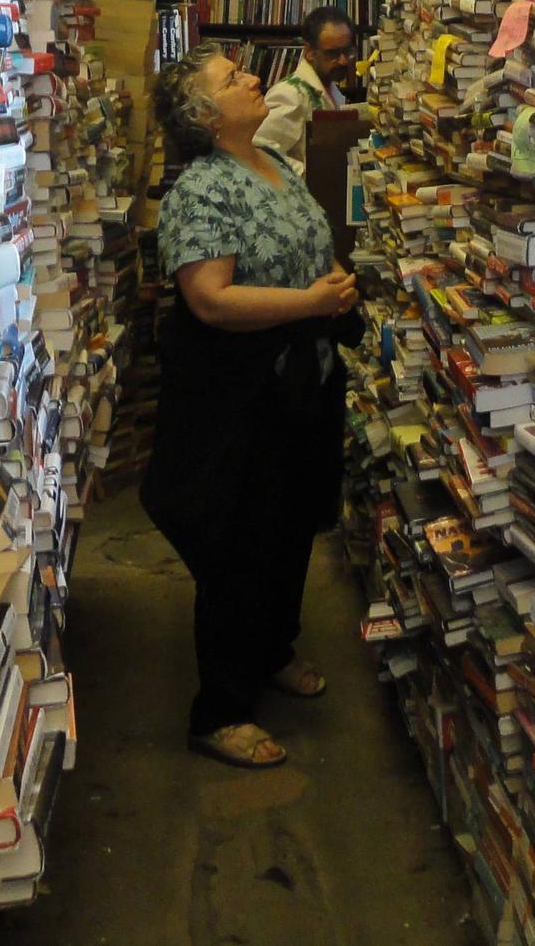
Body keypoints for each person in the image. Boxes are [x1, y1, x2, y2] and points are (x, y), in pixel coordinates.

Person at [141, 44, 359, 769]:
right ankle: (222, 709)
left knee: (290, 526)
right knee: (238, 547)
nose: (255, 77)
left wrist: (326, 278)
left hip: (299, 383)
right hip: (240, 397)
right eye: (234, 78)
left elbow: (301, 243)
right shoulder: (201, 189)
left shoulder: (273, 160)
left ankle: (272, 650)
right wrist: (311, 300)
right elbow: (211, 299)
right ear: (205, 115)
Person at [256, 5, 355, 170]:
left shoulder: (329, 87)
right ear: (309, 52)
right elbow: (261, 151)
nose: (343, 61)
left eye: (347, 51)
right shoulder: (289, 94)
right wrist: (310, 176)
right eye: (333, 54)